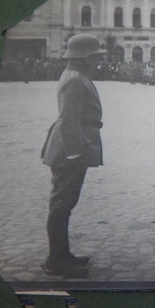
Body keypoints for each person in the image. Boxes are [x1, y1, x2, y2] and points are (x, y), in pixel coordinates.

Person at [40, 34, 106, 279]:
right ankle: (56, 260)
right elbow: (68, 119)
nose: (97, 62)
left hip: (72, 147)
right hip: (71, 150)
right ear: (83, 57)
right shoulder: (76, 80)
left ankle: (61, 254)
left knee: (65, 204)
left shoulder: (75, 75)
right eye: (94, 57)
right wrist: (75, 154)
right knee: (61, 205)